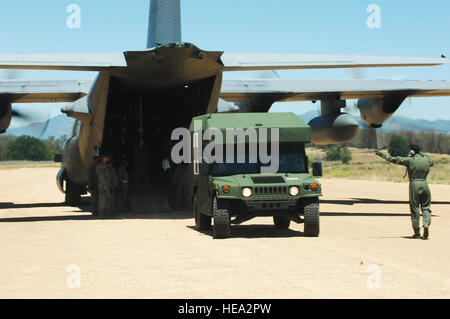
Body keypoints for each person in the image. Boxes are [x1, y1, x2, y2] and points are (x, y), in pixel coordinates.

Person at [375, 145, 434, 239]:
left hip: (414, 184)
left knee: (415, 209)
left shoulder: (410, 160)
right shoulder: (427, 160)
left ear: (412, 152)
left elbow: (396, 160)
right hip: (425, 184)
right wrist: (419, 153)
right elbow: (431, 162)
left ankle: (417, 232)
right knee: (426, 207)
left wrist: (383, 155)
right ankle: (426, 224)